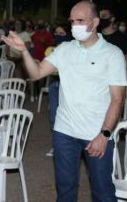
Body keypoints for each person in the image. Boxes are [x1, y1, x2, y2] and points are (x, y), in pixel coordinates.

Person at [2, 1, 127, 201]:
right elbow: (36, 74)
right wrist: (24, 51)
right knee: (65, 189)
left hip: (96, 132)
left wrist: (104, 135)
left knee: (102, 191)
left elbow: (118, 99)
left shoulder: (112, 54)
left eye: (80, 20)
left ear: (95, 22)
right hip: (65, 131)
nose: (74, 25)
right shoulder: (64, 49)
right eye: (72, 21)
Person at [44, 25, 72, 157]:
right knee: (53, 115)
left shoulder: (74, 48)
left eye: (62, 33)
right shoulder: (50, 49)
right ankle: (56, 146)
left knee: (70, 114)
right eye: (56, 32)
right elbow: (50, 68)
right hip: (54, 83)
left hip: (69, 84)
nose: (58, 35)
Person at [99, 8, 127, 80]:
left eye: (104, 16)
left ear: (112, 19)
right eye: (99, 16)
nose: (101, 18)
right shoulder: (95, 36)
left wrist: (107, 63)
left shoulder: (122, 38)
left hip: (115, 78)